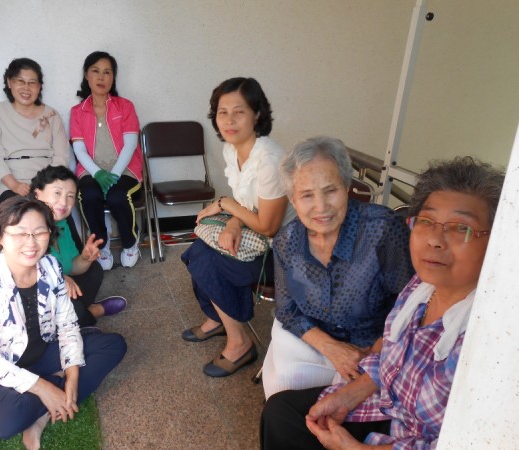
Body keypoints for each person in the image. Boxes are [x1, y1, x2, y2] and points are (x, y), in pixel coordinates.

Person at [261, 156, 505, 449]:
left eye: (460, 228)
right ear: (293, 200)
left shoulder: (492, 337)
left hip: (414, 436)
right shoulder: (421, 288)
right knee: (281, 412)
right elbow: (392, 354)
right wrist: (347, 396)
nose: (435, 240)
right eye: (427, 221)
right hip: (387, 404)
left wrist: (355, 449)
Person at [0, 197, 127, 450]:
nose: (31, 242)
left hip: (40, 353)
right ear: (0, 236)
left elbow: (67, 324)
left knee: (113, 345)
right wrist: (43, 388)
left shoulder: (50, 266)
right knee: (4, 422)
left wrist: (72, 376)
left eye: (40, 232)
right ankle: (52, 389)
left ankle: (41, 415)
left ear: (49, 233)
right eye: (20, 233)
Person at [261, 136, 414, 399]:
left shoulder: (382, 231)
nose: (321, 207)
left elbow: (409, 305)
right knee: (286, 384)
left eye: (330, 190)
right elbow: (287, 310)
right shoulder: (288, 241)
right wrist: (332, 348)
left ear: (346, 186)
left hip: (373, 348)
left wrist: (374, 354)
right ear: (292, 200)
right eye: (306, 195)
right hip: (315, 340)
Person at [181, 77, 296, 377]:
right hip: (256, 234)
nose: (229, 120)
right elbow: (247, 203)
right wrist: (232, 223)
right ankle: (219, 318)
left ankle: (240, 343)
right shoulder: (232, 150)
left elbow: (269, 227)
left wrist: (224, 204)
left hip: (284, 252)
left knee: (209, 261)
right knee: (198, 250)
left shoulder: (270, 160)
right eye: (222, 112)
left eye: (239, 112)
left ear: (257, 114)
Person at [70, 51, 144, 270]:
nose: (101, 77)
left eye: (107, 72)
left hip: (126, 170)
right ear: (87, 75)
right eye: (95, 71)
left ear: (113, 78)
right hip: (91, 170)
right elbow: (79, 149)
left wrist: (114, 176)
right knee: (88, 195)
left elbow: (130, 145)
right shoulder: (77, 111)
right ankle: (101, 246)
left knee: (117, 196)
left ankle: (130, 243)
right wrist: (98, 173)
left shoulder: (125, 106)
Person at [30, 165, 127, 328]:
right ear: (37, 194)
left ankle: (74, 318)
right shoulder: (26, 224)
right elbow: (19, 275)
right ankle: (91, 313)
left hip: (54, 293)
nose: (64, 202)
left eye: (70, 196)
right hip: (25, 302)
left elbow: (72, 268)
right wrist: (58, 278)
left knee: (94, 270)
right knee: (70, 304)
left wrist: (85, 258)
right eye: (57, 193)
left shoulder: (61, 223)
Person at [0, 58, 72, 204]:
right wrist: (15, 185)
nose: (26, 88)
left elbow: (61, 156)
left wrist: (46, 185)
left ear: (39, 86)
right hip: (10, 184)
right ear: (9, 82)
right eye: (20, 81)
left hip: (47, 182)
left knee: (56, 213)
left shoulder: (52, 115)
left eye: (32, 83)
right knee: (18, 213)